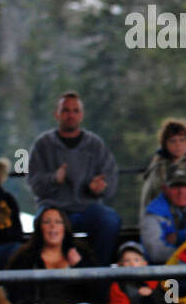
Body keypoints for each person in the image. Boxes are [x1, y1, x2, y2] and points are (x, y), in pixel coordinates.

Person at [26, 92, 121, 264]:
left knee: (111, 220)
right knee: (43, 223)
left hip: (88, 208)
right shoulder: (43, 144)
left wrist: (100, 188)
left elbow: (111, 180)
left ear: (81, 115)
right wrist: (54, 178)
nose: (71, 115)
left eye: (75, 111)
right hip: (54, 207)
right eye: (66, 110)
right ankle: (51, 274)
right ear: (57, 114)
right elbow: (33, 184)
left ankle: (98, 271)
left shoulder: (95, 144)